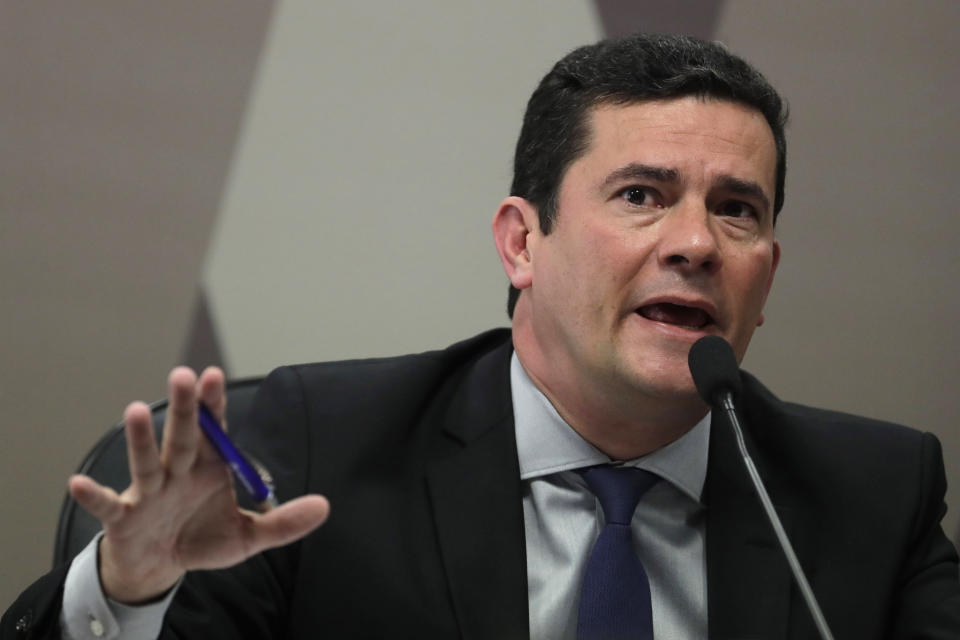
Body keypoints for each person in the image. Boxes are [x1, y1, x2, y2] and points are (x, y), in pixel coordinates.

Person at [4, 33, 959, 639]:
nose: (698, 243)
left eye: (738, 211)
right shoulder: (316, 454)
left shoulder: (871, 499)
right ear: (521, 243)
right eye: (641, 196)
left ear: (768, 277)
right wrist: (127, 598)